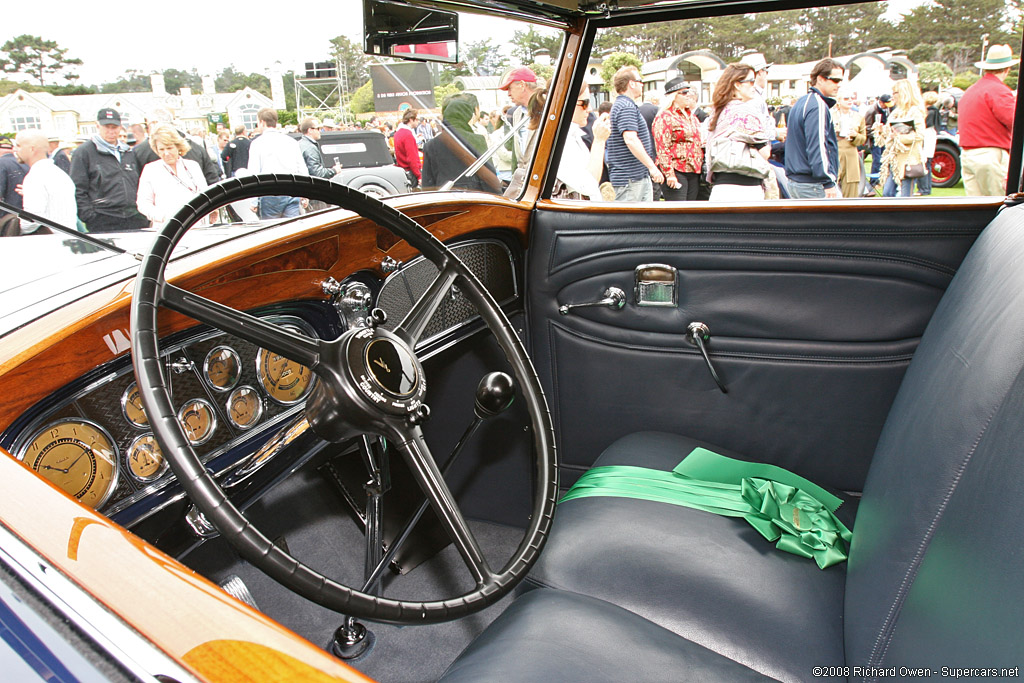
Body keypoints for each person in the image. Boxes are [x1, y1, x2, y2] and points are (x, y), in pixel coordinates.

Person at [69, 108, 149, 232]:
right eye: (107, 127)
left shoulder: (128, 152)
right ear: (98, 126)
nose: (111, 131)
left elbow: (139, 182)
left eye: (114, 127)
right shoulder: (84, 152)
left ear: (120, 127)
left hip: (134, 217)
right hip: (103, 218)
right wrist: (89, 216)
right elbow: (78, 188)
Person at [705, 63, 772, 201]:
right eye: (751, 81)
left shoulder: (717, 112)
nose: (754, 85)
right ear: (737, 84)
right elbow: (765, 153)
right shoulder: (746, 112)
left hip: (720, 187)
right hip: (746, 188)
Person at [957, 44, 1017, 196]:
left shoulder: (971, 90)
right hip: (990, 154)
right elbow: (1015, 122)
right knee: (1000, 206)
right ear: (1007, 69)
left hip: (968, 155)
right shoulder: (999, 90)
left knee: (976, 209)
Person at [785, 58, 843, 199]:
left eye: (840, 81)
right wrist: (827, 181)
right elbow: (818, 146)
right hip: (814, 184)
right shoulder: (817, 105)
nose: (839, 85)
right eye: (835, 80)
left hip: (798, 181)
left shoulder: (802, 102)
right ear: (821, 79)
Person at [606, 65, 664, 202]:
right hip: (630, 180)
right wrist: (652, 168)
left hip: (634, 178)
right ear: (631, 83)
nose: (642, 85)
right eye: (639, 81)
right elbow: (631, 139)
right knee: (630, 222)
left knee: (641, 222)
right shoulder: (625, 107)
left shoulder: (625, 105)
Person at [136, 125, 211, 229]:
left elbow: (205, 195)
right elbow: (143, 204)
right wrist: (163, 217)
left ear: (178, 146)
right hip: (166, 229)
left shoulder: (193, 166)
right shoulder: (150, 169)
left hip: (195, 226)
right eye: (161, 149)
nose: (166, 153)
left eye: (170, 148)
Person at [246, 108, 307, 219]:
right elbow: (301, 168)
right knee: (292, 229)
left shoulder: (257, 144)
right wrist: (306, 193)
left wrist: (253, 201)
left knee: (273, 230)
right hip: (291, 189)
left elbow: (254, 173)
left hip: (270, 191)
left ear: (262, 122)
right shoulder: (291, 142)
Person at [13, 129, 77, 234]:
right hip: (68, 240)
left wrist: (14, 229)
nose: (15, 149)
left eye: (19, 145)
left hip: (48, 243)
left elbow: (32, 220)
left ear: (31, 149)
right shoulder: (59, 174)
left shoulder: (35, 177)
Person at [133, 110, 221, 185]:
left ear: (153, 124)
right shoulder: (196, 148)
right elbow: (212, 181)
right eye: (162, 149)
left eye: (147, 125)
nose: (166, 153)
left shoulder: (139, 152)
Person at [553, 84, 609, 200]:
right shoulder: (560, 141)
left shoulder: (572, 135)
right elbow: (589, 185)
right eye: (585, 103)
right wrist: (599, 140)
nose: (589, 109)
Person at [653, 77, 704, 201]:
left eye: (689, 92)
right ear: (674, 95)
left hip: (693, 170)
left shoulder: (691, 116)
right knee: (679, 211)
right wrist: (669, 174)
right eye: (684, 93)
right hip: (676, 170)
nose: (688, 96)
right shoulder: (665, 116)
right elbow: (662, 147)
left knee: (691, 212)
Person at [878, 78, 926, 198]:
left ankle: (905, 216)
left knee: (906, 196)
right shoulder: (895, 112)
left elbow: (920, 135)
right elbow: (889, 134)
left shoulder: (915, 112)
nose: (892, 96)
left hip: (908, 160)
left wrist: (899, 138)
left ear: (904, 93)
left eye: (895, 93)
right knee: (887, 193)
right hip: (894, 159)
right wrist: (882, 131)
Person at [498, 66, 540, 168]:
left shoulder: (549, 109)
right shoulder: (516, 114)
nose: (508, 94)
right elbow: (516, 155)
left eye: (510, 88)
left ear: (522, 85)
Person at [831, 85, 868, 198]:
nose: (849, 101)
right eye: (846, 99)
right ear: (839, 100)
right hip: (835, 152)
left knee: (851, 187)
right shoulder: (830, 115)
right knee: (832, 183)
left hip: (851, 154)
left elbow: (863, 139)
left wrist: (855, 135)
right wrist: (835, 132)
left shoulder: (858, 116)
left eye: (851, 98)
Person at [863, 93, 892, 184]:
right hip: (874, 140)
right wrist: (876, 133)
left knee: (884, 159)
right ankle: (874, 181)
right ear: (880, 102)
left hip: (884, 138)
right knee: (877, 159)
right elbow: (866, 127)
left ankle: (882, 179)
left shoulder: (888, 109)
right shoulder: (872, 111)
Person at [917, 91, 941, 195]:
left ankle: (923, 188)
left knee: (924, 163)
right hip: (931, 136)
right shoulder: (935, 111)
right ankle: (926, 188)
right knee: (928, 164)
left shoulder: (929, 112)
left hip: (926, 137)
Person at [393, 109, 421, 187]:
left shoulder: (397, 133)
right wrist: (419, 176)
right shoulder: (408, 135)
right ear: (411, 120)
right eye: (417, 119)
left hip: (403, 172)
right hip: (411, 173)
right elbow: (412, 158)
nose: (418, 121)